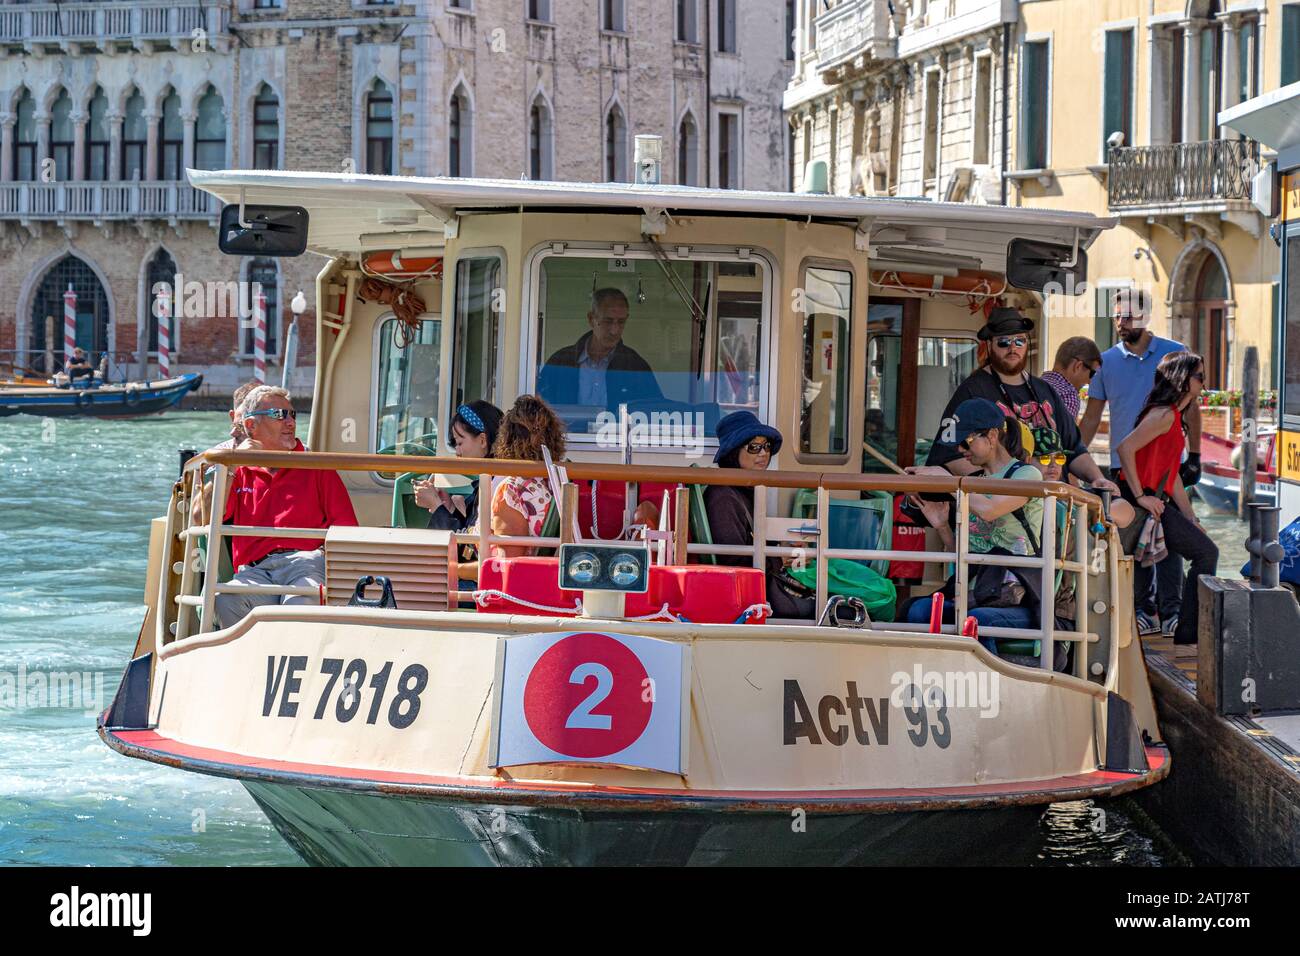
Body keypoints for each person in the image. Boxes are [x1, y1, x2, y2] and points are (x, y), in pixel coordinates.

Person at [1080, 287, 1202, 636]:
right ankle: (1144, 612)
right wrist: (1075, 457)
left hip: (1166, 468)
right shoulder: (1106, 362)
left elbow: (1191, 407)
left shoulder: (1175, 354)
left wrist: (1194, 455)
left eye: (1128, 315)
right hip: (1126, 468)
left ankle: (1173, 613)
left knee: (1172, 542)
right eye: (1116, 315)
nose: (1120, 321)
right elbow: (1091, 418)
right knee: (1137, 544)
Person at [202, 386, 358, 627]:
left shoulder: (316, 465)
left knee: (300, 607)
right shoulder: (236, 469)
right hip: (254, 571)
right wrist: (231, 464)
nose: (290, 422)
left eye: (292, 415)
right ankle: (251, 662)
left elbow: (347, 528)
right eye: (279, 415)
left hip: (305, 564)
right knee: (223, 601)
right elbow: (204, 517)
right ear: (251, 426)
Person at [925, 308, 1118, 497]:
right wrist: (994, 487)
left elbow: (1074, 448)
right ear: (989, 345)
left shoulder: (1045, 390)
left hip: (1053, 507)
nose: (1013, 348)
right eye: (1003, 342)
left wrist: (1098, 479)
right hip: (1004, 510)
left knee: (1123, 511)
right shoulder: (972, 391)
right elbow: (949, 454)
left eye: (1020, 341)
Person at [905, 400, 1046, 655]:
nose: (961, 451)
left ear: (992, 436)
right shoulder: (970, 483)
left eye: (966, 442)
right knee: (918, 611)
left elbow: (991, 509)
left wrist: (950, 482)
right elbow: (963, 554)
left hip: (1014, 596)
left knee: (976, 619)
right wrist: (941, 526)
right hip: (974, 592)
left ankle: (986, 688)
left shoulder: (1026, 475)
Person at [1115, 352, 1218, 648]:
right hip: (1139, 501)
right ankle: (1188, 631)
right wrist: (1140, 497)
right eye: (1200, 376)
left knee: (1204, 551)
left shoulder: (1174, 417)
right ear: (1182, 379)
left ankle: (1185, 628)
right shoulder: (1162, 415)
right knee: (1206, 554)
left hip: (1155, 500)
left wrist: (1191, 518)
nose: (1204, 382)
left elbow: (1171, 476)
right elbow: (1125, 449)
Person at [703, 410, 815, 619]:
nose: (763, 454)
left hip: (765, 589)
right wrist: (780, 558)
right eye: (754, 447)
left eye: (766, 447)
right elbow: (732, 563)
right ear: (733, 452)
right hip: (755, 599)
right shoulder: (723, 497)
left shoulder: (743, 490)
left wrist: (786, 549)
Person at [413, 400, 503, 583]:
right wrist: (449, 509)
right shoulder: (492, 479)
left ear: (483, 440)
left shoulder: (494, 485)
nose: (458, 452)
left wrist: (437, 506)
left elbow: (467, 553)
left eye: (460, 442)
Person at [537, 288, 663, 410]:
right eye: (608, 321)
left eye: (621, 322)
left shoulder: (635, 366)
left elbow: (654, 415)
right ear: (591, 319)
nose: (614, 330)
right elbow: (538, 411)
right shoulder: (560, 361)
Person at [482, 395, 566, 566]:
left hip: (507, 585)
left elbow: (507, 566)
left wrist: (457, 568)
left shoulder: (512, 491)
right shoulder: (553, 482)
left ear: (507, 437)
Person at [1041, 336, 1103, 423]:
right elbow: (1065, 436)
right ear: (1078, 366)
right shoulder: (1068, 396)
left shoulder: (1032, 384)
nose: (1090, 381)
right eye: (1092, 373)